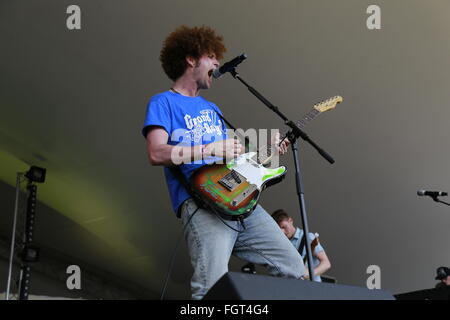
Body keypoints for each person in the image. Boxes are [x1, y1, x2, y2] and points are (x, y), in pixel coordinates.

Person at [142, 25, 306, 299]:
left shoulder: (212, 108)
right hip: (202, 204)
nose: (218, 63)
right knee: (211, 289)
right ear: (191, 59)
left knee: (294, 266)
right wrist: (209, 147)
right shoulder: (163, 102)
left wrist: (268, 151)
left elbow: (234, 158)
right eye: (211, 56)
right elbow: (156, 153)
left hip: (242, 201)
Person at [271, 209, 331, 282]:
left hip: (312, 287)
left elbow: (326, 263)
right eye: (279, 230)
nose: (283, 232)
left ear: (290, 221)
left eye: (284, 227)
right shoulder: (281, 244)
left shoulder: (308, 237)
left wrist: (310, 273)